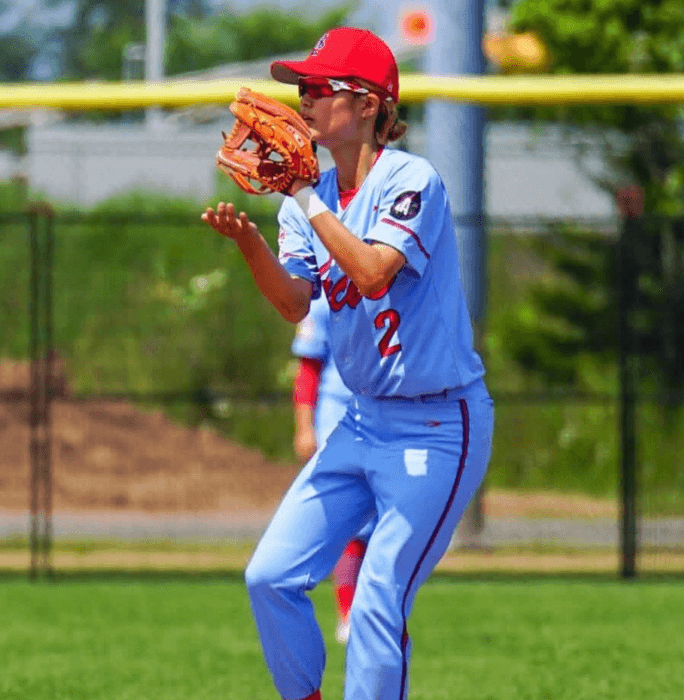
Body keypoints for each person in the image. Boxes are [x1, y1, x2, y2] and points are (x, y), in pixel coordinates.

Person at [201, 26, 494, 700]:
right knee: (269, 576)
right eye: (299, 88)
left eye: (316, 88)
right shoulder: (308, 199)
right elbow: (295, 304)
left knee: (375, 599)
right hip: (360, 424)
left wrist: (304, 197)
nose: (300, 101)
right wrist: (250, 244)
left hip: (438, 426)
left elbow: (371, 274)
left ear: (366, 103)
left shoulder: (411, 178)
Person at [291, 293, 375, 645]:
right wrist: (305, 427)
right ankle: (348, 613)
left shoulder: (394, 288)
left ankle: (372, 609)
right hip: (337, 418)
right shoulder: (323, 297)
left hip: (387, 417)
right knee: (347, 521)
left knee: (381, 524)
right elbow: (308, 369)